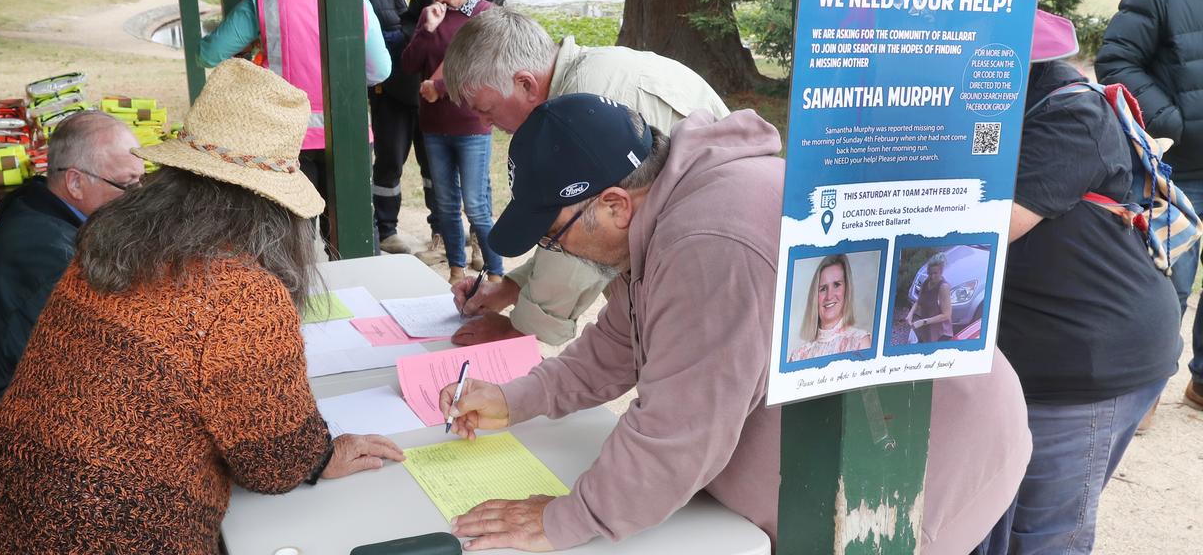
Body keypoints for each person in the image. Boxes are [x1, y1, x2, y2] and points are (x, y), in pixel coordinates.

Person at [440, 94, 1031, 553]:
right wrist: (515, 400)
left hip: (916, 468)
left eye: (556, 235)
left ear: (617, 204)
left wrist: (566, 519)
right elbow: (620, 342)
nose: (559, 250)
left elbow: (681, 431)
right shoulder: (669, 213)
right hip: (851, 448)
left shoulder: (708, 242)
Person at [0, 60, 405, 554]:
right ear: (274, 210)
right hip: (107, 536)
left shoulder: (102, 246)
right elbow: (274, 463)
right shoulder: (243, 294)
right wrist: (321, 456)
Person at [961, 0, 1180, 554]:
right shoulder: (982, 108)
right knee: (983, 526)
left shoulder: (1068, 112)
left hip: (1087, 363)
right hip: (1027, 356)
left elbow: (984, 227)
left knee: (1040, 535)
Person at [443, 6, 729, 345]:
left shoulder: (582, 102)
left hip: (712, 281)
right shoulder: (588, 79)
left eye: (485, 109)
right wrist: (512, 286)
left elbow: (585, 240)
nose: (486, 124)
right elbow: (565, 228)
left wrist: (517, 330)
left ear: (525, 84)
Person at [0, 111, 143, 478]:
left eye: (142, 181)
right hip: (17, 461)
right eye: (128, 185)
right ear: (75, 183)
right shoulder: (50, 259)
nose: (137, 198)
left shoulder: (42, 210)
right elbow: (95, 379)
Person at [198, 0, 391, 200]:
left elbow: (209, 55)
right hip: (349, 133)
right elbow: (380, 71)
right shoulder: (355, 2)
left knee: (293, 231)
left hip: (284, 136)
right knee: (354, 231)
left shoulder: (264, 1)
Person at [1095, 0, 1203, 410]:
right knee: (1168, 283)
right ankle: (1146, 390)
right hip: (1178, 166)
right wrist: (1178, 124)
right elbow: (1116, 60)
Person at [400, 0, 502, 285]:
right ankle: (456, 271)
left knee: (476, 206)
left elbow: (486, 70)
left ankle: (496, 273)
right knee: (445, 206)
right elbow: (409, 64)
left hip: (471, 126)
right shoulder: (432, 14)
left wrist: (439, 88)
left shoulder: (485, 14)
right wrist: (426, 29)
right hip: (434, 127)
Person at [363, 0, 440, 257]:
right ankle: (386, 230)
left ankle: (441, 228)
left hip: (428, 93)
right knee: (389, 162)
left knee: (434, 164)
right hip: (389, 92)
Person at [788, 254, 871, 361]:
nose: (829, 296)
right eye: (823, 288)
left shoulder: (860, 342)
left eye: (836, 285)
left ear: (847, 290)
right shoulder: (798, 356)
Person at [905, 252, 952, 343]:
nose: (932, 276)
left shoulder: (943, 287)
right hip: (927, 327)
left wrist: (923, 322)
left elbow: (946, 315)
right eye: (930, 273)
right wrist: (910, 314)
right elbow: (919, 301)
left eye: (935, 273)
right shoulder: (927, 282)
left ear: (941, 271)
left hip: (940, 332)